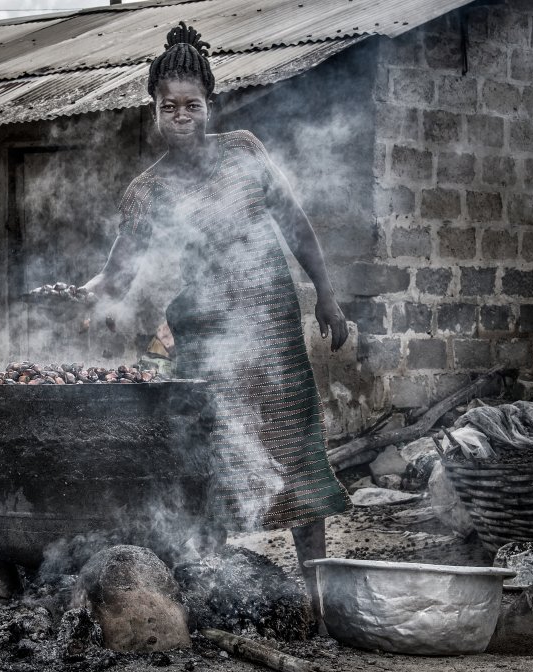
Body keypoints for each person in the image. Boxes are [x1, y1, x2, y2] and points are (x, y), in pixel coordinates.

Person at [83, 22, 351, 625]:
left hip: (274, 332)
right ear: (152, 111)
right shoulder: (145, 192)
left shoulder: (244, 152)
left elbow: (297, 225)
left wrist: (326, 297)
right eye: (168, 106)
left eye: (191, 105)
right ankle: (213, 592)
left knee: (296, 454)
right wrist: (98, 294)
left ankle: (317, 598)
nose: (180, 115)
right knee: (211, 459)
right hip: (204, 342)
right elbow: (119, 266)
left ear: (210, 107)